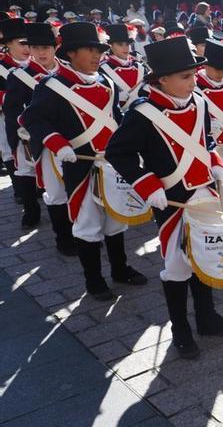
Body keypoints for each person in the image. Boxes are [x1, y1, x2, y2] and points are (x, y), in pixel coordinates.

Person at [105, 36, 223, 359]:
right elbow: (118, 152)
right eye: (185, 77)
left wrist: (216, 163)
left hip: (205, 193)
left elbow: (206, 141)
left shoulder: (201, 102)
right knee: (178, 266)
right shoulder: (143, 112)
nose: (193, 81)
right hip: (171, 201)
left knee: (204, 256)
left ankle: (207, 318)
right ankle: (180, 328)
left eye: (194, 75)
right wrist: (147, 184)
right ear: (161, 79)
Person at [23, 22, 145, 301]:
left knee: (116, 219)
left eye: (98, 50)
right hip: (80, 165)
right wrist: (57, 143)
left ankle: (120, 268)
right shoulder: (52, 86)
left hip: (110, 164)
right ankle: (94, 280)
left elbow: (116, 120)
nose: (96, 56)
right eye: (89, 50)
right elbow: (33, 119)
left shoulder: (107, 83)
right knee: (88, 223)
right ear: (71, 53)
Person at [3, 22, 76, 256]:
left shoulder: (69, 71)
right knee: (55, 193)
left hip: (74, 142)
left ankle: (80, 232)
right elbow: (13, 113)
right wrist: (18, 141)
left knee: (77, 189)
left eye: (46, 47)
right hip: (42, 143)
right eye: (35, 47)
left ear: (55, 48)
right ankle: (63, 239)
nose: (41, 53)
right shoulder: (20, 77)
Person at [0, 18, 30, 188]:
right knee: (9, 150)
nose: (27, 48)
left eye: (28, 44)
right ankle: (19, 187)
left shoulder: (38, 65)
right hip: (6, 117)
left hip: (36, 118)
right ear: (9, 44)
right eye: (21, 43)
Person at [99, 24, 145, 111]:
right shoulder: (102, 69)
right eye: (120, 44)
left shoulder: (140, 66)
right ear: (110, 46)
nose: (125, 48)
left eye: (127, 44)